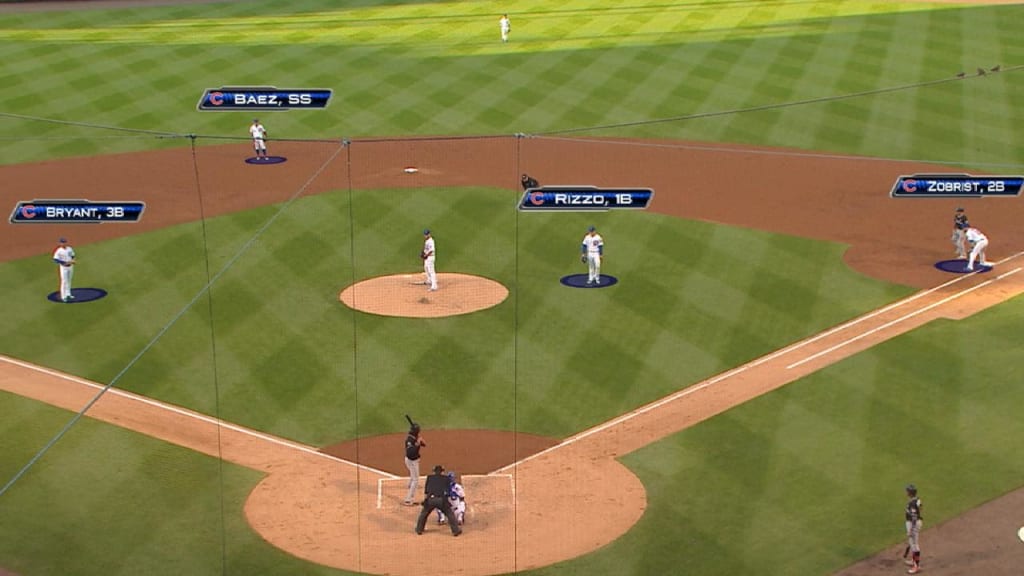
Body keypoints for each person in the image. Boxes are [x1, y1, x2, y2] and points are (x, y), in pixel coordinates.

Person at [415, 465, 461, 536]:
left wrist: (426, 501)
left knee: (424, 513)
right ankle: (455, 531)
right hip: (441, 500)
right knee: (449, 513)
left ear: (434, 471)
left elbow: (426, 491)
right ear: (442, 471)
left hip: (430, 499)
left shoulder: (429, 478)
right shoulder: (446, 478)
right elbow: (448, 491)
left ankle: (419, 529)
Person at [402, 423, 426, 505]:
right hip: (411, 461)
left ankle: (410, 485)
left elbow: (424, 445)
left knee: (413, 476)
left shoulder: (415, 437)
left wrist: (421, 441)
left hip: (413, 461)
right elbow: (410, 453)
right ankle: (408, 499)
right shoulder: (409, 440)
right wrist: (417, 443)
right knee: (416, 479)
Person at [903, 484, 923, 574]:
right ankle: (913, 561)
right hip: (915, 522)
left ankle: (916, 566)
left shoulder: (912, 503)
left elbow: (914, 517)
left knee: (914, 545)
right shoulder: (917, 499)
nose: (906, 492)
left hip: (913, 524)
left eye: (907, 491)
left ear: (910, 493)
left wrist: (911, 530)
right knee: (912, 544)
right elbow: (920, 509)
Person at [52, 237, 76, 302]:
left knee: (69, 280)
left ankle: (68, 294)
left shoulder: (69, 248)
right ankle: (63, 296)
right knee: (64, 281)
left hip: (70, 267)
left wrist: (73, 260)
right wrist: (63, 263)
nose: (63, 243)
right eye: (62, 242)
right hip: (63, 268)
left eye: (64, 242)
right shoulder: (58, 251)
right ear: (60, 243)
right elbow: (55, 259)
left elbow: (73, 255)